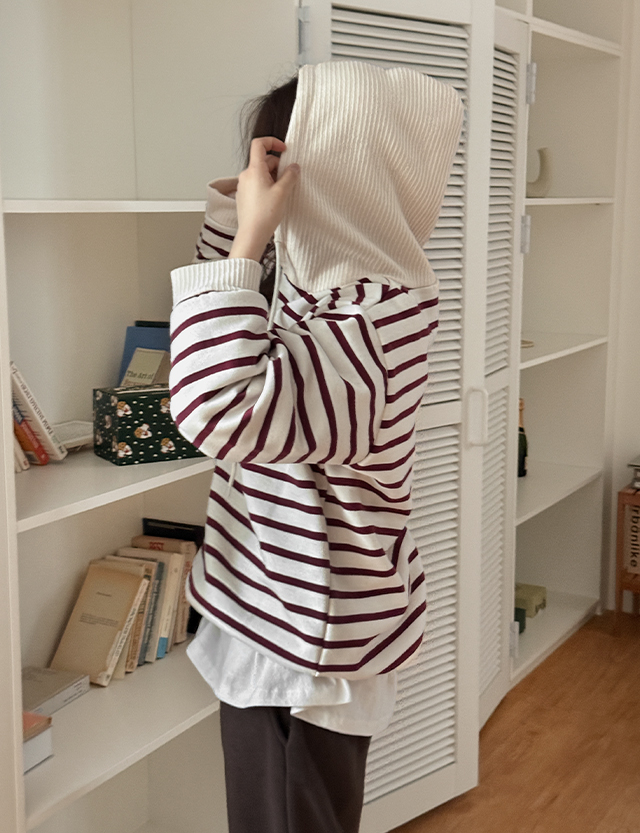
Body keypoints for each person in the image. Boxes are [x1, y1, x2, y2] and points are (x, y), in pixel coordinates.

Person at [169, 60, 464, 833]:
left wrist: (252, 236)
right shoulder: (322, 288)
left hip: (305, 654)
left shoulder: (375, 320)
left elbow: (214, 408)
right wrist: (237, 223)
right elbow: (234, 311)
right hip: (277, 616)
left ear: (332, 176)